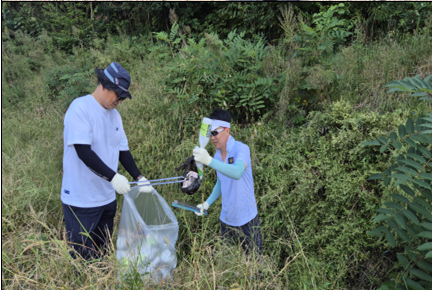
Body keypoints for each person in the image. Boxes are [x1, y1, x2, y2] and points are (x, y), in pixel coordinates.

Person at [61, 62, 153, 261]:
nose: (119, 100)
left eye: (122, 97)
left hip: (106, 199)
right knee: (81, 258)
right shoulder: (80, 108)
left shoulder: (115, 117)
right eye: (117, 94)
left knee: (103, 253)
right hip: (81, 200)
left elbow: (123, 151)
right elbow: (84, 152)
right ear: (103, 85)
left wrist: (139, 177)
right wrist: (113, 177)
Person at [192, 109, 262, 256]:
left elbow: (236, 173)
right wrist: (207, 203)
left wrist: (208, 161)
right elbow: (221, 183)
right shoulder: (217, 156)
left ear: (227, 130)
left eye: (214, 133)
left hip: (247, 219)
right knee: (228, 267)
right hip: (227, 220)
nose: (212, 138)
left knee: (256, 269)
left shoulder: (241, 149)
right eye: (210, 134)